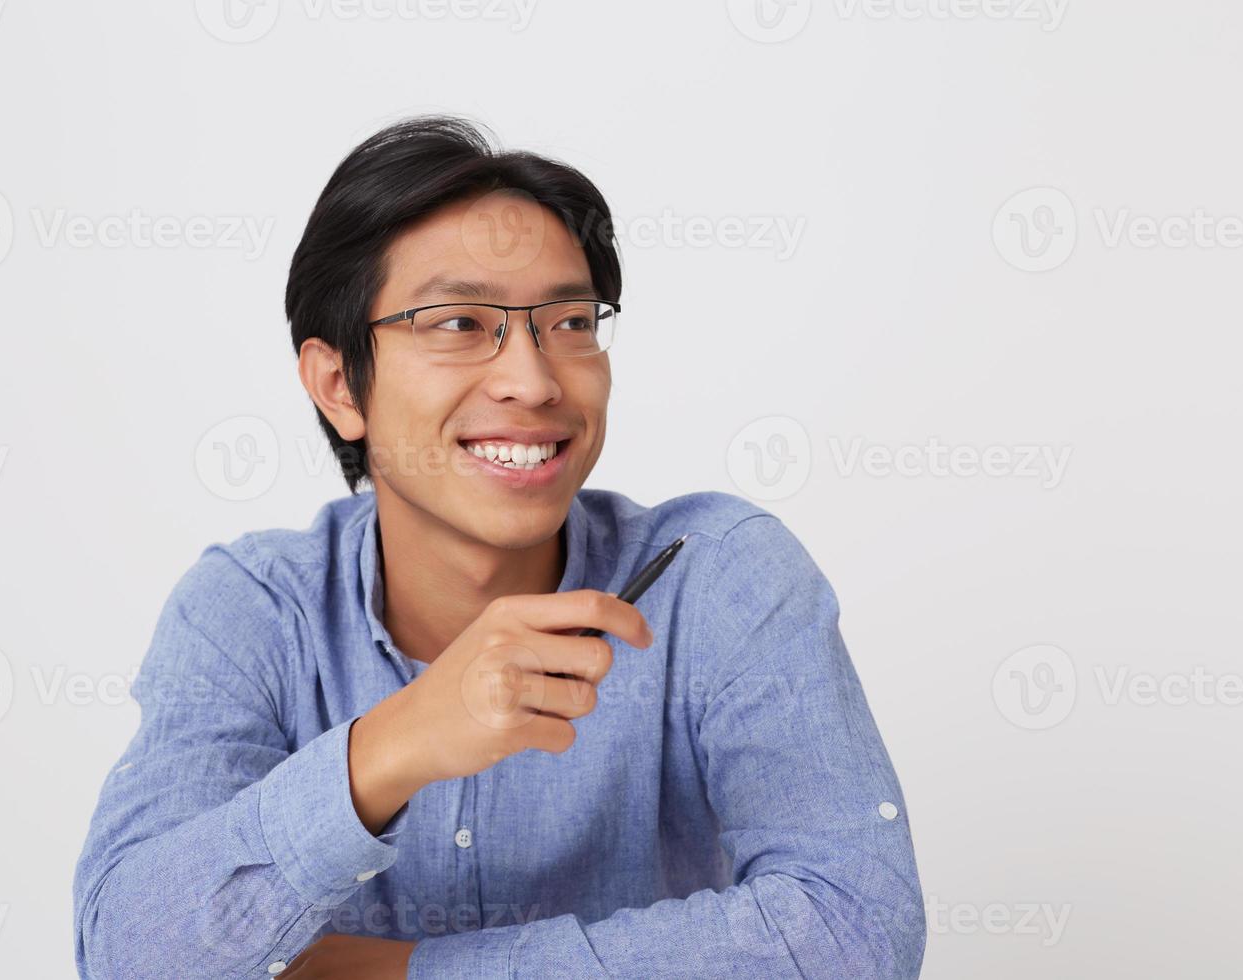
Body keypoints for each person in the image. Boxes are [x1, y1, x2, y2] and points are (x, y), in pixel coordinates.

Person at [72, 115, 925, 979]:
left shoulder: (721, 576)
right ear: (338, 386)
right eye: (458, 323)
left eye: (568, 322)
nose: (534, 379)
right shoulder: (251, 607)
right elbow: (127, 954)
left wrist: (400, 972)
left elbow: (854, 932)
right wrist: (395, 744)